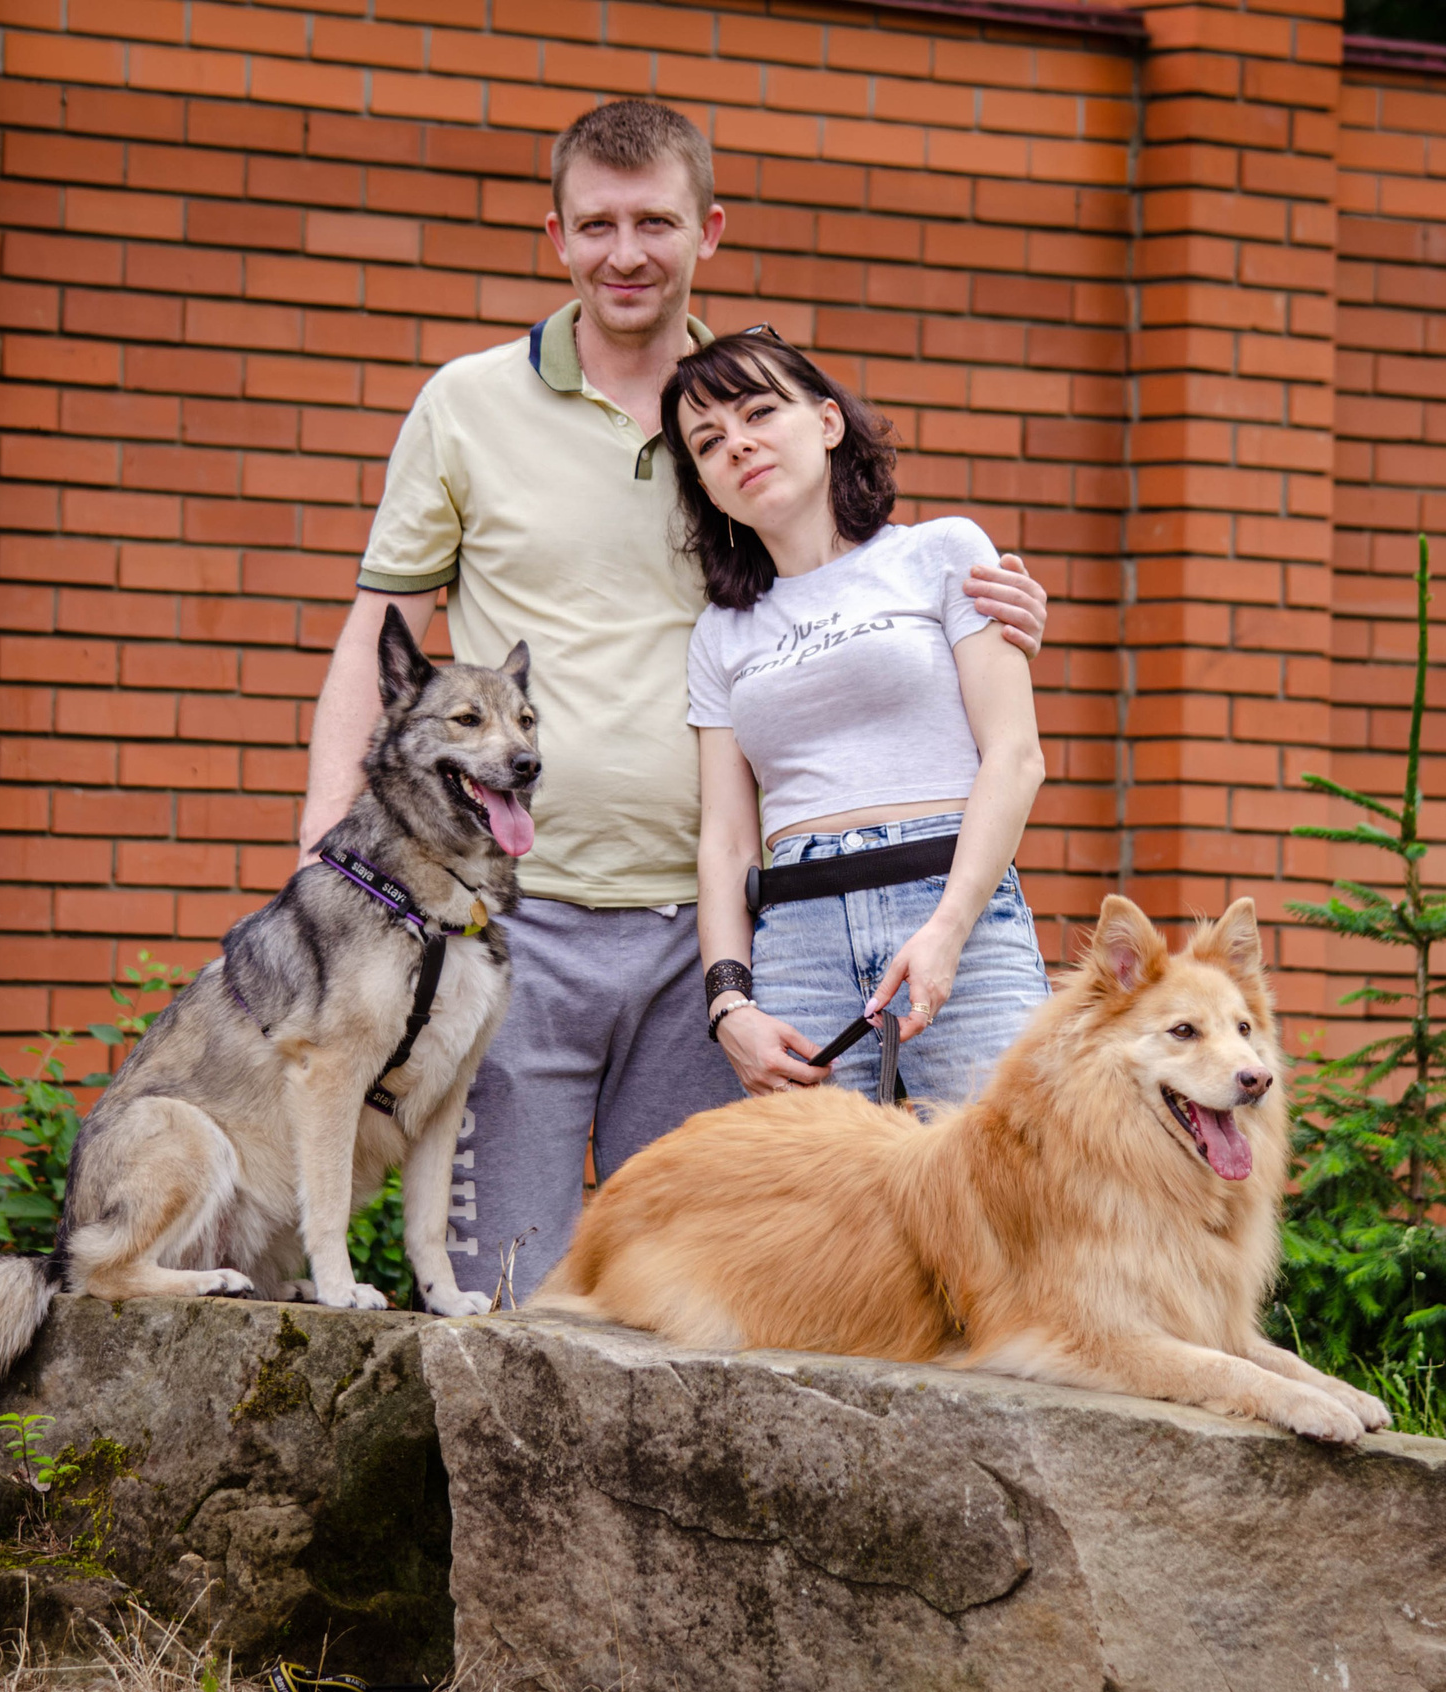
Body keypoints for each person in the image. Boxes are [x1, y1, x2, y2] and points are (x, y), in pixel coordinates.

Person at [296, 101, 1051, 1298]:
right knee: (512, 1284)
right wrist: (329, 859)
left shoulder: (743, 419)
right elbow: (372, 637)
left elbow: (855, 592)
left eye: (655, 221)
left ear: (709, 226)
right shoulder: (465, 405)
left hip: (730, 936)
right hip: (519, 920)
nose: (626, 252)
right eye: (596, 224)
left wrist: (997, 615)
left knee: (704, 1289)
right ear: (555, 235)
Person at [673, 332, 1052, 1104]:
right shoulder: (720, 631)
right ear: (709, 488)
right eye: (709, 442)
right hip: (798, 940)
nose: (738, 444)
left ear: (827, 423)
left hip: (956, 908)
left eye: (759, 413)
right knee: (823, 1216)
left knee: (1012, 1201)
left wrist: (947, 928)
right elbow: (727, 837)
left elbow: (1014, 757)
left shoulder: (942, 551)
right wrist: (728, 1004)